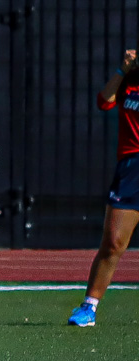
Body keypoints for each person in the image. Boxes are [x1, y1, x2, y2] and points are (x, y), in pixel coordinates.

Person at [68, 49, 139, 327]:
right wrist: (122, 71)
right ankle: (89, 308)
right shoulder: (129, 80)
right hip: (131, 168)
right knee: (112, 243)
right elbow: (104, 101)